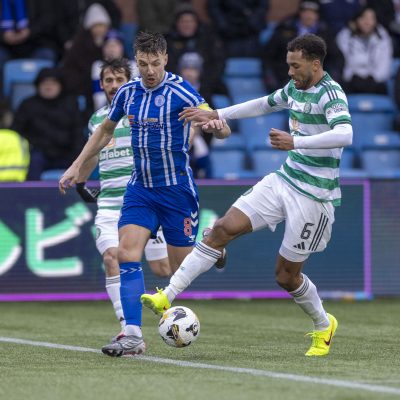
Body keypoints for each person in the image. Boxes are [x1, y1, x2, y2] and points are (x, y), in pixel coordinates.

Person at [141, 33, 353, 357]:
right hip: (285, 180)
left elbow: (345, 133)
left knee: (286, 276)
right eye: (288, 65)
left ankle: (324, 325)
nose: (290, 72)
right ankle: (166, 296)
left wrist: (296, 142)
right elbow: (263, 104)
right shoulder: (294, 88)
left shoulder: (331, 93)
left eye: (295, 66)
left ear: (315, 63)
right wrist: (217, 114)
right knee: (221, 229)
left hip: (315, 197)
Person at [59, 31, 230, 357]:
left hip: (176, 191)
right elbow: (104, 131)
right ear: (136, 62)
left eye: (155, 63)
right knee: (125, 254)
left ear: (165, 59)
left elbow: (223, 128)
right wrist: (76, 166)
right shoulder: (128, 92)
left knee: (179, 268)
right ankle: (133, 335)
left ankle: (213, 246)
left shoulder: (182, 90)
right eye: (143, 64)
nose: (149, 70)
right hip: (140, 190)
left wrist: (215, 125)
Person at [76, 58, 170, 335]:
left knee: (163, 269)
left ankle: (210, 244)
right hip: (110, 203)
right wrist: (81, 181)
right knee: (111, 258)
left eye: (119, 79)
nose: (114, 85)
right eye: (108, 80)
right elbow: (93, 154)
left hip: (144, 201)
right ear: (102, 85)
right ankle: (128, 331)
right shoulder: (97, 119)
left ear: (130, 82)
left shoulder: (145, 111)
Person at [12, 67, 83, 180]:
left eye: (53, 83)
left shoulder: (71, 103)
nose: (48, 86)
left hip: (66, 152)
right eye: (44, 83)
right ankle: (31, 191)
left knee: (83, 160)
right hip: (38, 153)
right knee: (34, 160)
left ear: (60, 85)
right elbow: (16, 132)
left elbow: (78, 132)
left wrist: (78, 156)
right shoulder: (28, 104)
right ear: (38, 85)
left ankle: (77, 191)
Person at [336, 7, 393, 94]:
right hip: (351, 81)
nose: (367, 22)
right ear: (357, 20)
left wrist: (373, 78)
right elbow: (343, 63)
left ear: (376, 22)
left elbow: (384, 66)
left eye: (371, 18)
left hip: (376, 82)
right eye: (364, 18)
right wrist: (353, 77)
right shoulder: (345, 36)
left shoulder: (383, 38)